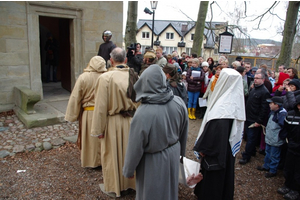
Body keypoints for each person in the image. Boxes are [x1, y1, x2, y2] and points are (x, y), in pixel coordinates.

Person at [123, 64, 188, 200]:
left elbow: (135, 147)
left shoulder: (143, 113)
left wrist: (129, 170)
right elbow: (183, 132)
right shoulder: (179, 102)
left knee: (151, 194)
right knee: (170, 191)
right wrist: (180, 155)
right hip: (173, 154)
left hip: (153, 162)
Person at [91, 47, 138, 198]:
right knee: (131, 153)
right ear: (125, 60)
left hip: (113, 123)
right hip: (132, 121)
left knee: (113, 155)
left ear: (110, 60)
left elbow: (100, 107)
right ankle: (132, 184)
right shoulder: (134, 75)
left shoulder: (105, 78)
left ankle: (116, 186)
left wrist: (98, 129)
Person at [193, 68, 246, 200]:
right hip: (226, 150)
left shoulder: (223, 107)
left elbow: (214, 133)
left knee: (213, 182)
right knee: (225, 176)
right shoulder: (235, 101)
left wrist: (202, 148)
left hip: (217, 151)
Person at [65, 56, 106, 168]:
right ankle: (103, 161)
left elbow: (75, 97)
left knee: (90, 139)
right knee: (103, 138)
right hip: (103, 113)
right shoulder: (107, 77)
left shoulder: (83, 78)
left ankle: (92, 161)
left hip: (89, 113)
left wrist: (71, 114)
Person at [239, 72, 270, 165]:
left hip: (255, 119)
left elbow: (264, 108)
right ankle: (252, 151)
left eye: (257, 78)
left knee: (251, 138)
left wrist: (259, 121)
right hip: (248, 116)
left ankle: (246, 156)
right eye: (255, 78)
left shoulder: (264, 92)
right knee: (249, 136)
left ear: (263, 80)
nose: (255, 79)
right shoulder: (253, 88)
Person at [256, 96, 287, 178]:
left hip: (276, 140)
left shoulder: (282, 114)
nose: (269, 105)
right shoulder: (273, 112)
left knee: (274, 155)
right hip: (270, 138)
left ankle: (273, 170)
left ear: (277, 105)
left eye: (271, 103)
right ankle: (266, 165)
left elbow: (283, 127)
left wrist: (280, 137)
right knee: (268, 152)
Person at [277, 95, 300, 200]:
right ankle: (287, 185)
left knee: (298, 171)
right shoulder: (290, 115)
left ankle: (296, 190)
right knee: (289, 167)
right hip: (292, 145)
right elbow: (286, 129)